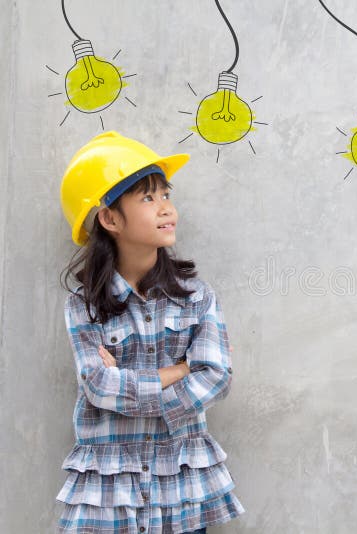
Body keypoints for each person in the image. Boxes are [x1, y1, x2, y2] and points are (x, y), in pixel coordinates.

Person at [55, 131, 245, 533]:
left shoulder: (197, 297)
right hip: (107, 492)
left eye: (165, 195)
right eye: (147, 198)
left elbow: (216, 377)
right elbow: (98, 387)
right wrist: (177, 371)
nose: (166, 209)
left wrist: (128, 388)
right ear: (109, 218)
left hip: (180, 487)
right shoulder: (83, 304)